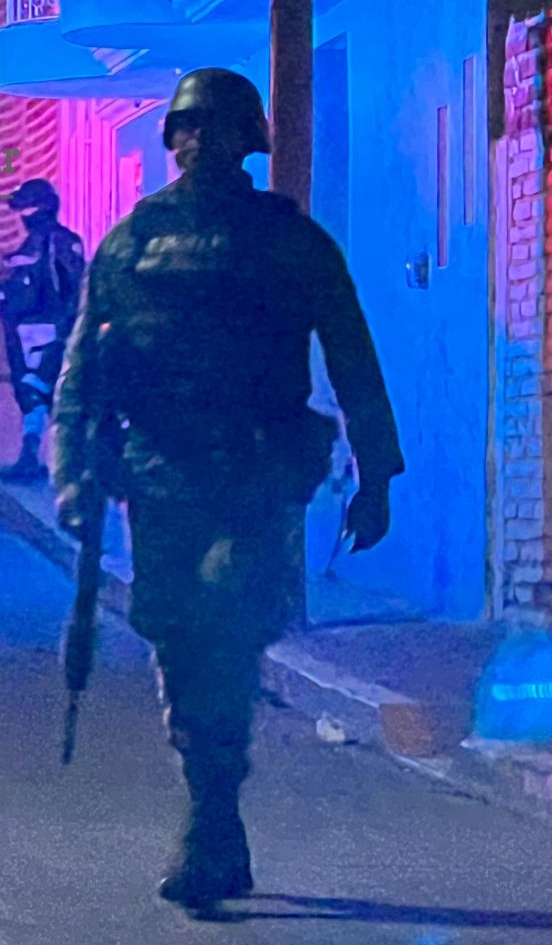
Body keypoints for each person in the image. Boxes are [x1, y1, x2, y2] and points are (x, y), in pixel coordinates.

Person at [52, 68, 403, 914]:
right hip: (160, 478)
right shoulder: (132, 242)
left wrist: (377, 473)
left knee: (230, 626)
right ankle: (212, 808)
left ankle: (210, 820)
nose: (201, 140)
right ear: (171, 139)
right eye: (189, 126)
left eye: (217, 126)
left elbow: (352, 356)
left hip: (255, 476)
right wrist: (70, 475)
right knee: (179, 639)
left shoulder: (291, 241)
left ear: (249, 140)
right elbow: (83, 370)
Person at [0, 178, 85, 483]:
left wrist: (66, 330)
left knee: (41, 391)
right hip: (25, 332)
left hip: (46, 331)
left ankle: (48, 459)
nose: (22, 216)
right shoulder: (33, 243)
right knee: (30, 392)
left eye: (26, 209)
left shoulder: (59, 242)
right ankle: (32, 456)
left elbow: (73, 288)